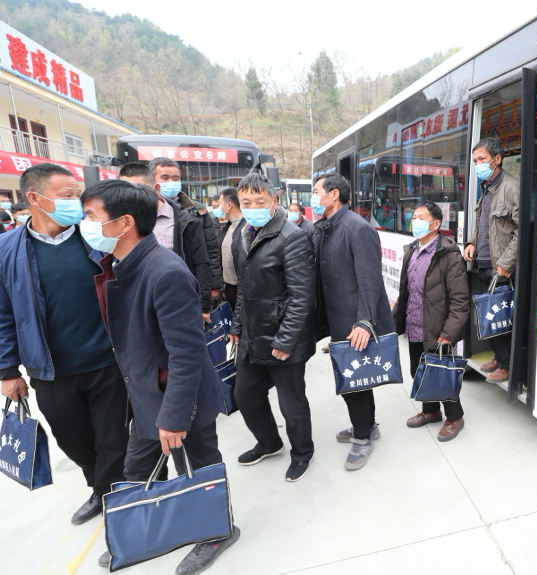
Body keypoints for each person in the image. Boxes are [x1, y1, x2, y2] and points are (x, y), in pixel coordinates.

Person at [80, 180, 240, 573]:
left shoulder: (165, 272)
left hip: (180, 397)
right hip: (146, 392)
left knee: (200, 467)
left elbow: (187, 354)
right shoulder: (121, 264)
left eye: (91, 217)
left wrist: (173, 416)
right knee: (137, 469)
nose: (85, 225)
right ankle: (144, 530)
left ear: (125, 223)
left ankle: (218, 531)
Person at [0, 163, 128, 526]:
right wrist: (7, 370)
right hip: (51, 369)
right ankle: (101, 486)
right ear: (35, 198)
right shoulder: (7, 250)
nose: (77, 201)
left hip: (107, 362)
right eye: (67, 195)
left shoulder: (95, 237)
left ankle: (111, 496)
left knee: (113, 439)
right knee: (72, 439)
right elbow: (3, 315)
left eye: (77, 194)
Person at [227, 174, 317, 481]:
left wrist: (286, 340)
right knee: (245, 395)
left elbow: (302, 297)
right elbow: (243, 286)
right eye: (246, 202)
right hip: (252, 335)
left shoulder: (292, 237)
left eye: (260, 202)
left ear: (274, 201)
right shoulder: (243, 233)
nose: (253, 208)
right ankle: (269, 443)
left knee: (291, 404)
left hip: (283, 338)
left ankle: (302, 452)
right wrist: (237, 324)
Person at [313, 173, 394, 470]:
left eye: (316, 191)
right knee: (357, 377)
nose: (314, 196)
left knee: (353, 380)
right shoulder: (325, 227)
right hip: (336, 317)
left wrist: (364, 322)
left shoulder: (357, 228)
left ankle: (362, 437)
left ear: (334, 194)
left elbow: (370, 280)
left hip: (353, 321)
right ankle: (367, 425)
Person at [393, 201, 469, 441]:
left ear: (435, 224)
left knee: (441, 376)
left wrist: (449, 333)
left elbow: (460, 300)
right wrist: (396, 319)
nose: (415, 221)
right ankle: (431, 410)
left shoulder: (449, 255)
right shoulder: (412, 250)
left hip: (438, 330)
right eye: (414, 217)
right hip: (415, 325)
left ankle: (455, 417)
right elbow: (406, 291)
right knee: (419, 371)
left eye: (421, 218)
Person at [119, 162, 213, 321]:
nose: (131, 196)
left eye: (138, 189)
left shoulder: (186, 220)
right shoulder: (119, 220)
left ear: (155, 188)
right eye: (124, 190)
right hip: (135, 303)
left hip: (176, 298)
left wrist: (203, 306)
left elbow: (201, 262)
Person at [463, 137, 518, 384]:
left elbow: (520, 232)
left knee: (502, 315)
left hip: (501, 266)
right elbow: (482, 225)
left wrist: (507, 262)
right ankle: (498, 356)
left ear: (497, 159)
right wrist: (472, 243)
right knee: (491, 315)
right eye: (475, 161)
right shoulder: (486, 188)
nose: (478, 165)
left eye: (482, 159)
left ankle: (506, 365)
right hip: (484, 263)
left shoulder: (511, 187)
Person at [149, 157, 224, 301]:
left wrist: (214, 285)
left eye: (175, 178)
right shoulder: (145, 209)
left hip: (191, 280)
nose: (171, 182)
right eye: (165, 178)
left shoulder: (197, 210)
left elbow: (211, 249)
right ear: (153, 181)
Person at [216, 187, 245, 310]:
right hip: (228, 288)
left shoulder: (247, 227)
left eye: (220, 204)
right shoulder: (227, 226)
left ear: (228, 205)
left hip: (242, 290)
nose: (219, 208)